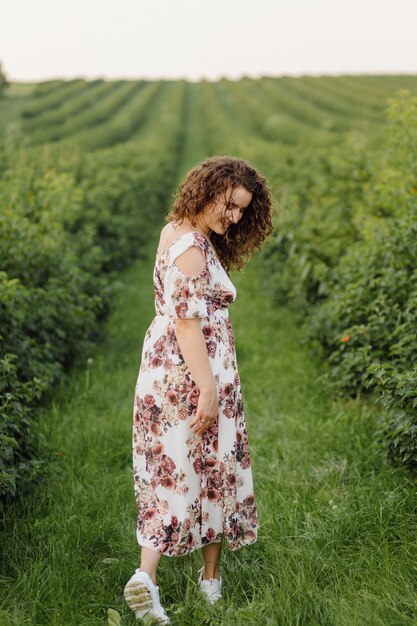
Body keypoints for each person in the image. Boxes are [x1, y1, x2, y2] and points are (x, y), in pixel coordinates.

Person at [124, 156, 273, 624]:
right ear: (207, 192)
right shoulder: (191, 245)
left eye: (242, 211)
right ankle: (201, 582)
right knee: (212, 467)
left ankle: (153, 579)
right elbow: (188, 324)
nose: (234, 217)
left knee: (170, 469)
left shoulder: (178, 230)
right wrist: (208, 390)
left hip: (166, 369)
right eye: (230, 206)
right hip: (193, 371)